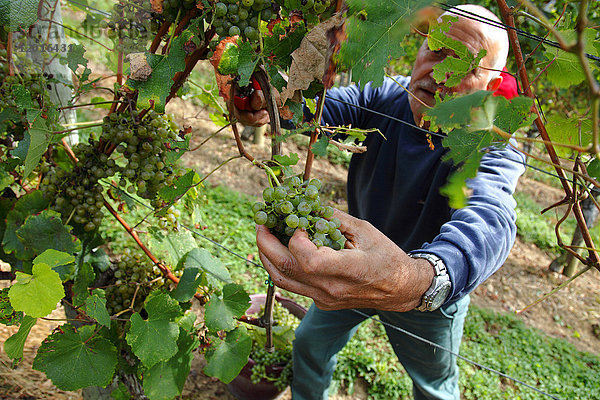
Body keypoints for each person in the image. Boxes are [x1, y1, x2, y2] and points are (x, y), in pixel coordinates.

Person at [234, 4, 525, 399]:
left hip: (426, 296)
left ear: (492, 87)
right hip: (353, 263)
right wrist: (264, 103)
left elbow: (491, 220)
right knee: (309, 345)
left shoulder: (492, 143)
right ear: (419, 51)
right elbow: (310, 111)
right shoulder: (383, 96)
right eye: (436, 51)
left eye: (462, 66)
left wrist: (413, 279)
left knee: (433, 388)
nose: (438, 73)